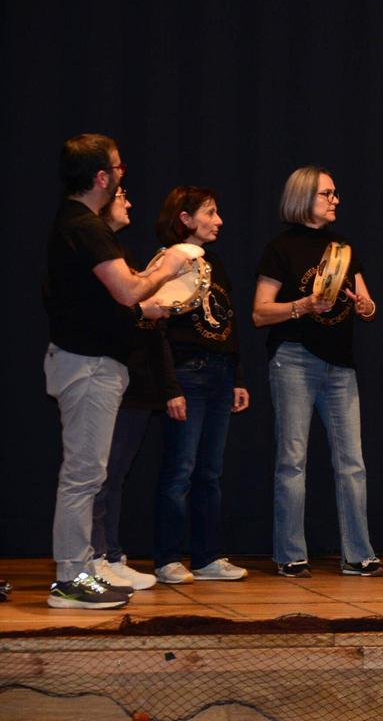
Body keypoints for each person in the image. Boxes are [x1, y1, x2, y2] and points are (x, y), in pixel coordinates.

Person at [43, 133, 190, 609]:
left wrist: (159, 308)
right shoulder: (84, 226)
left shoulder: (78, 224)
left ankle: (81, 571)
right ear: (101, 177)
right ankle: (70, 579)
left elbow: (115, 305)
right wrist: (168, 266)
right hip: (87, 368)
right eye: (119, 168)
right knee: (84, 476)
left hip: (91, 364)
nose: (123, 175)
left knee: (88, 474)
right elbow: (127, 291)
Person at [253, 166, 382, 578]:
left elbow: (367, 302)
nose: (335, 200)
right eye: (328, 193)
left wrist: (366, 307)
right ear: (304, 197)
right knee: (293, 460)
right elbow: (259, 313)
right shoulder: (281, 248)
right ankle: (290, 554)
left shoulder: (343, 247)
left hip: (340, 365)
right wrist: (302, 306)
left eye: (335, 193)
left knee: (352, 461)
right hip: (294, 358)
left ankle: (357, 554)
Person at [153, 186, 251, 584]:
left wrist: (237, 376)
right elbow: (156, 328)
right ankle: (166, 558)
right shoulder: (168, 262)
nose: (219, 221)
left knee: (210, 472)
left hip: (218, 374)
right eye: (210, 213)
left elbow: (228, 322)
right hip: (188, 374)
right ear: (185, 218)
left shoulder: (217, 264)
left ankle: (207, 556)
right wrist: (170, 385)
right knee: (180, 469)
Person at [89, 186, 165, 592]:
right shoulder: (95, 250)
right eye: (121, 195)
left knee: (114, 473)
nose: (129, 202)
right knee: (97, 473)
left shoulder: (118, 253)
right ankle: (94, 557)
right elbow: (120, 307)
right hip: (103, 373)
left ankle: (111, 554)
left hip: (131, 379)